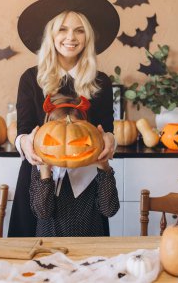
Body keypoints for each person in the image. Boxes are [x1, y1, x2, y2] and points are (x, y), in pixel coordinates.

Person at [8, 0, 120, 237]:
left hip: (87, 186)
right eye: (63, 30)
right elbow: (23, 129)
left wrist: (110, 142)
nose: (71, 38)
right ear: (52, 34)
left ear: (88, 37)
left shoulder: (101, 81)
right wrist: (25, 143)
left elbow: (107, 130)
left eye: (79, 31)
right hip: (40, 179)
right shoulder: (31, 79)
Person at [30, 93, 120, 237]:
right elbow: (42, 212)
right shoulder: (40, 167)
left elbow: (109, 209)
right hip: (49, 246)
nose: (66, 145)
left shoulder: (95, 166)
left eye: (76, 139)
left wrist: (104, 167)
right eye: (56, 140)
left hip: (90, 246)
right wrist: (45, 172)